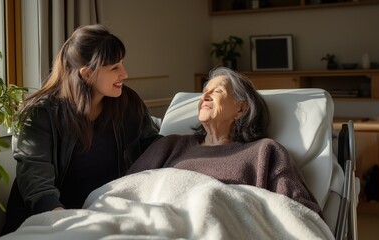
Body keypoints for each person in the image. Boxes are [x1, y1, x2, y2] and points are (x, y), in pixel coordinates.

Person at [1, 24, 162, 235]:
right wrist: (68, 223)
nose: (125, 74)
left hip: (107, 214)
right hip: (51, 219)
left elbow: (154, 146)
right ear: (87, 74)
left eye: (122, 64)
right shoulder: (40, 114)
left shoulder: (127, 102)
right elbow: (36, 183)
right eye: (114, 68)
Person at [127, 67, 322, 216]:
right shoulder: (169, 145)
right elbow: (127, 189)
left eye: (217, 91)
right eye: (204, 91)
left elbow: (300, 211)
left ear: (241, 109)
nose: (204, 97)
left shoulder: (265, 151)